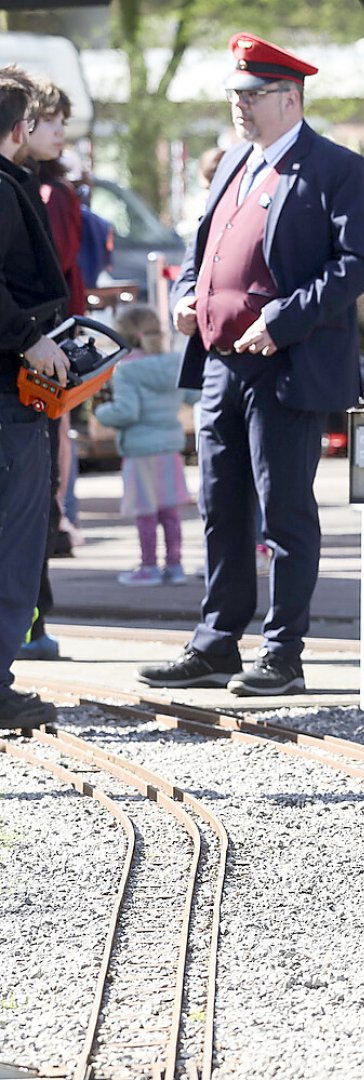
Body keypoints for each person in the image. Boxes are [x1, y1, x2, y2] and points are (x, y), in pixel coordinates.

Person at [136, 34, 364, 696]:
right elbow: (203, 250)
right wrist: (187, 297)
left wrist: (284, 319)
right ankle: (216, 643)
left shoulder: (336, 168)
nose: (239, 105)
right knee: (220, 506)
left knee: (285, 513)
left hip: (284, 365)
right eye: (235, 95)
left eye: (252, 95)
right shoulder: (235, 162)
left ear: (290, 99)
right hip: (221, 365)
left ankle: (283, 654)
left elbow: (355, 265)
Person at [0, 66, 70, 727]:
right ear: (20, 128)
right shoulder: (4, 189)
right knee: (13, 543)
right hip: (7, 393)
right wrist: (30, 338)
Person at [11, 73, 78, 660]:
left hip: (39, 364)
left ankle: (31, 624)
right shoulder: (29, 189)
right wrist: (32, 338)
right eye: (45, 121)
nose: (56, 132)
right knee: (25, 513)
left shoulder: (39, 185)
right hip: (27, 368)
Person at [95, 305, 199, 587]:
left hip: (140, 451)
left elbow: (126, 412)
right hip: (169, 450)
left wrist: (102, 412)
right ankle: (175, 565)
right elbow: (192, 396)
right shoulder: (174, 363)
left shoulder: (127, 370)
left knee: (145, 513)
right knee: (170, 512)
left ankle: (148, 566)